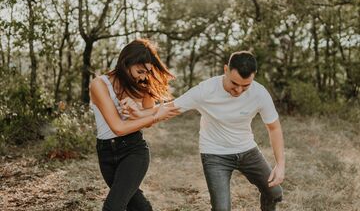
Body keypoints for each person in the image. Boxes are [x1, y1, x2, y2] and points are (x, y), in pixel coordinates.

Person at [172, 51, 285, 211]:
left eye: (245, 85)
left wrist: (280, 165)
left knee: (274, 192)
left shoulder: (260, 93)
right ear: (226, 70)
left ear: (254, 76)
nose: (238, 90)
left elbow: (274, 128)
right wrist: (141, 114)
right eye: (234, 83)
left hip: (247, 150)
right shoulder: (205, 90)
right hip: (215, 154)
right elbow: (169, 108)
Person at [90, 38, 179, 211]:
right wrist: (154, 115)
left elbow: (146, 121)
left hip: (133, 151)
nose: (143, 77)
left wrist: (138, 113)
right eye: (140, 71)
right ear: (125, 63)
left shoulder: (143, 86)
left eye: (147, 72)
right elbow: (117, 127)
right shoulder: (100, 85)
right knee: (137, 206)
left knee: (112, 207)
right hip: (106, 153)